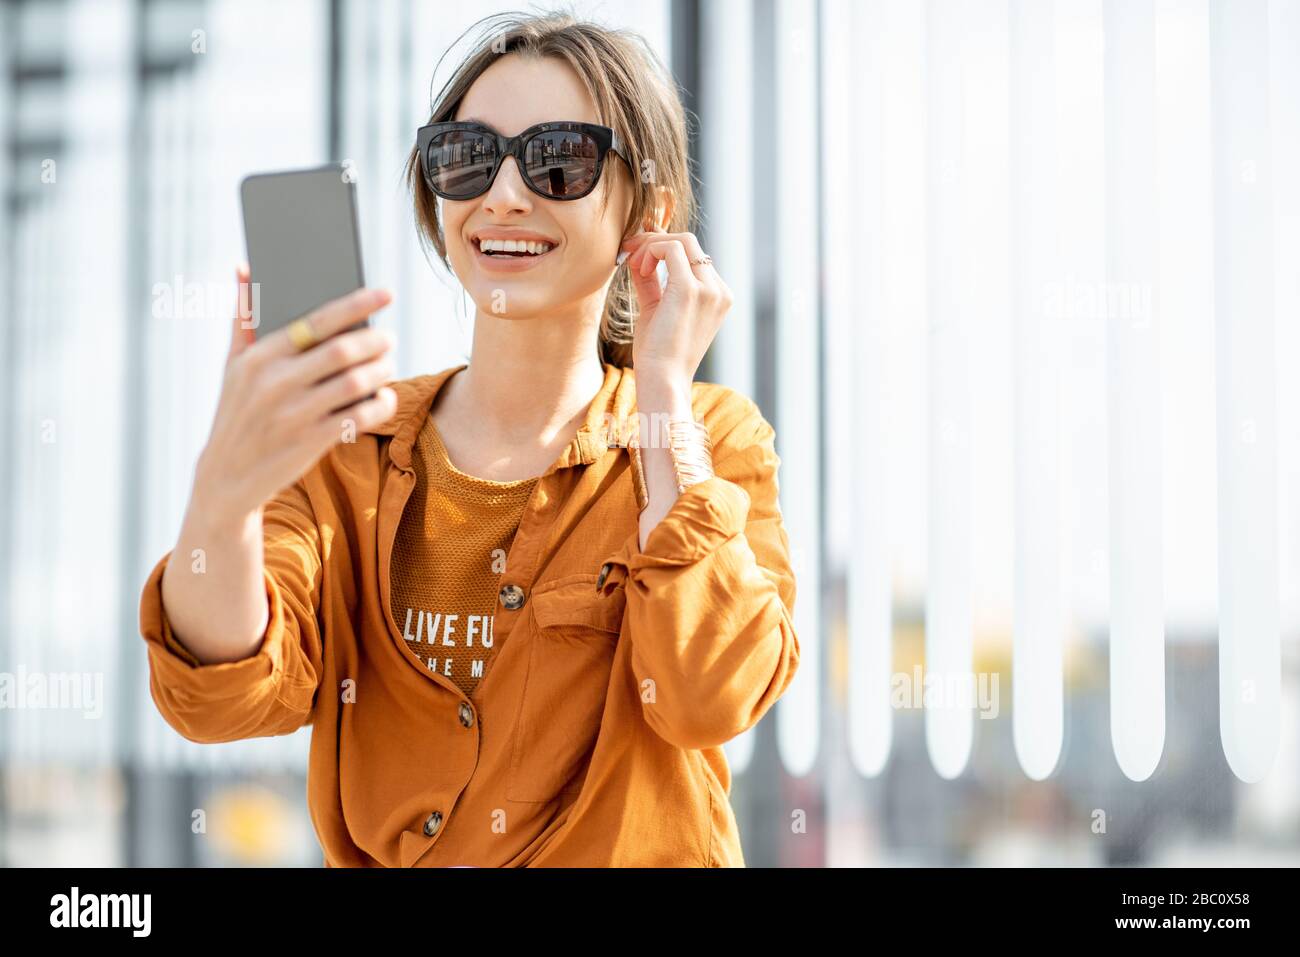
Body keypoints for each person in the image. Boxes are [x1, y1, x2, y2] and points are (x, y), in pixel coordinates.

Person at [139, 11, 799, 867]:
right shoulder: (352, 446)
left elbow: (710, 694)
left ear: (652, 209)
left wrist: (665, 389)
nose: (505, 194)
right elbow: (218, 696)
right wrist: (223, 493)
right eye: (468, 157)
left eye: (560, 160)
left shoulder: (709, 440)